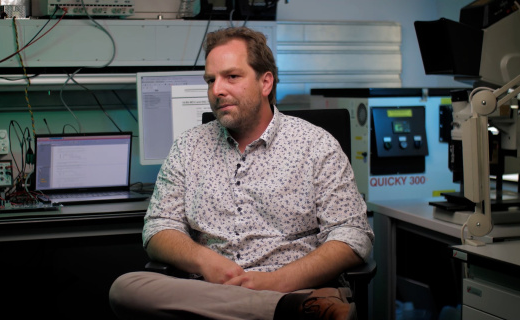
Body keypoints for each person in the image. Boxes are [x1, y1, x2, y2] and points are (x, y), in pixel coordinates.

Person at [109, 26, 374, 320]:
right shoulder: (188, 146)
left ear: (265, 82)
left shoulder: (316, 145)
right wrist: (203, 260)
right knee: (125, 287)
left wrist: (274, 282)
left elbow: (352, 235)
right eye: (211, 80)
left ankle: (275, 306)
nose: (217, 90)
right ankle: (276, 312)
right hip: (211, 292)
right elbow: (158, 227)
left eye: (231, 77)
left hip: (291, 289)